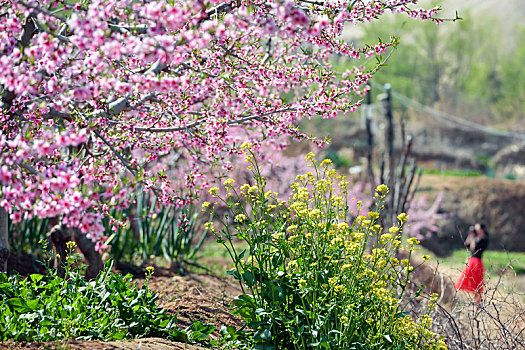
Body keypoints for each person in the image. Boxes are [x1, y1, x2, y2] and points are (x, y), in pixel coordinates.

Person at [454, 223, 489, 304]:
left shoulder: (484, 239)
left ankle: (477, 302)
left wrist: (473, 237)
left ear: (482, 230)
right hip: (471, 260)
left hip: (477, 262)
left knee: (476, 283)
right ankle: (473, 302)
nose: (476, 230)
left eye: (477, 229)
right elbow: (466, 244)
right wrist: (471, 235)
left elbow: (473, 247)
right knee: (465, 279)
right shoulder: (475, 237)